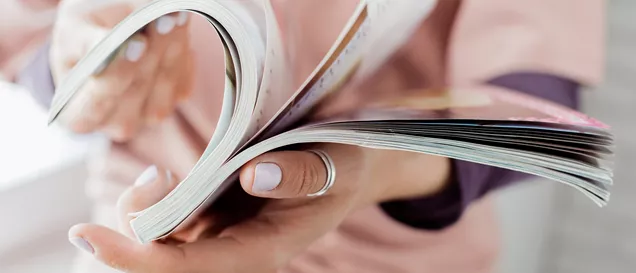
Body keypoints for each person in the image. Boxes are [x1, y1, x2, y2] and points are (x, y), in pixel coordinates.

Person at [11, 0, 603, 272]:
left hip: (388, 259)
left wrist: (370, 167)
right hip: (136, 239)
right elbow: (27, 38)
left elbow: (540, 120)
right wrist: (83, 65)